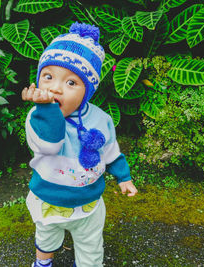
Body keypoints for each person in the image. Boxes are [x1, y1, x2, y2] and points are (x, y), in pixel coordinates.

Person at [22, 22, 138, 267]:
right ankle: (43, 262)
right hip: (48, 197)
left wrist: (123, 176)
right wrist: (48, 109)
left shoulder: (101, 119)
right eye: (48, 76)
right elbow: (49, 144)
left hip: (89, 201)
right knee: (46, 236)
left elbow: (110, 151)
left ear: (88, 90)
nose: (55, 88)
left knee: (90, 243)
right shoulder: (37, 117)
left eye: (71, 83)